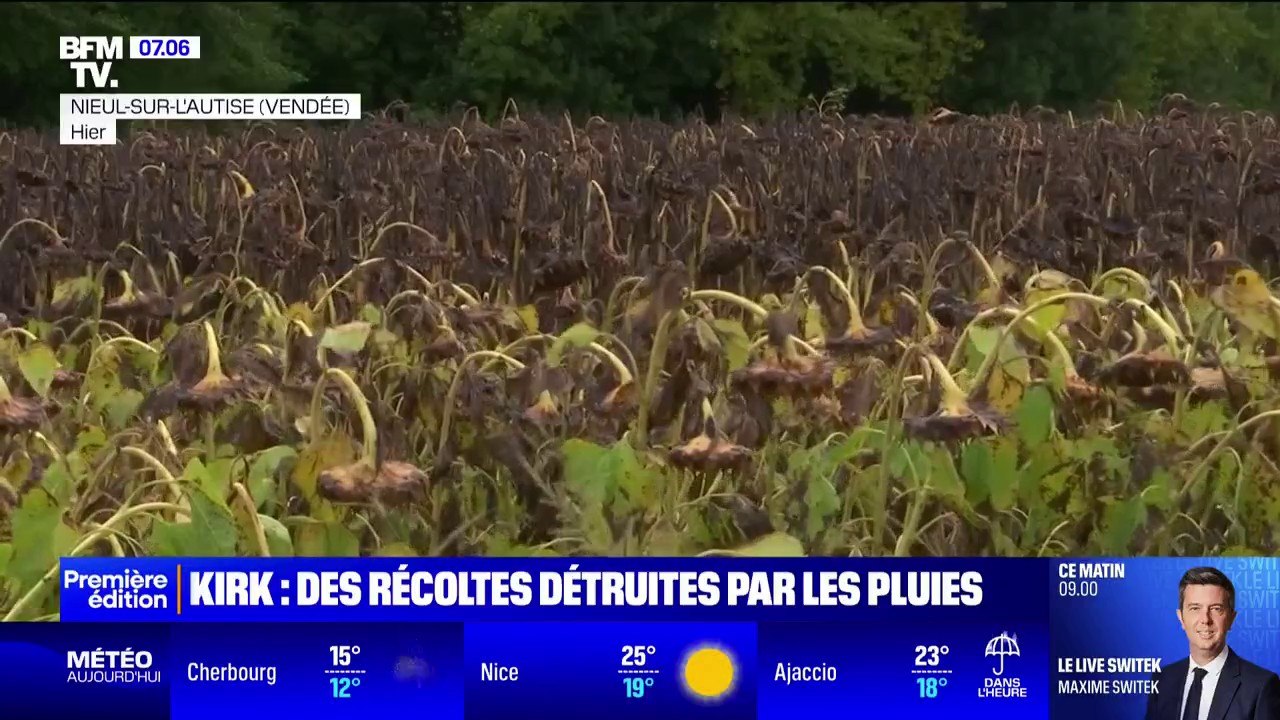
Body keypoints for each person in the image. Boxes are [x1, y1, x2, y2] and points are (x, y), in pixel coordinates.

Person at [1145, 567, 1280, 720]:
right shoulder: (1163, 679)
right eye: (1195, 608)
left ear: (1231, 618)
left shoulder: (1261, 686)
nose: (1205, 619)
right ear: (1181, 618)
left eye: (1216, 609)